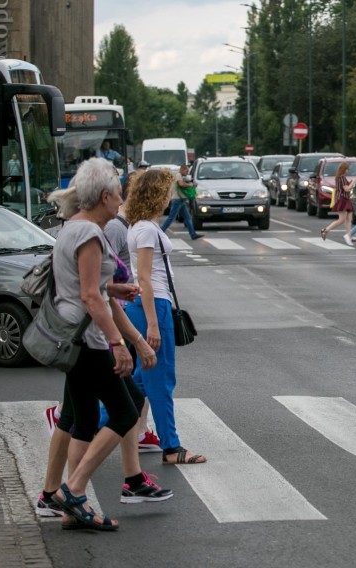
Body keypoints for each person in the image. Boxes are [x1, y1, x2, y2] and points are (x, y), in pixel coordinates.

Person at [39, 157, 161, 531]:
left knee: (85, 419)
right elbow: (91, 297)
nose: (122, 199)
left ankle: (70, 505)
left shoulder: (70, 228)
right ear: (105, 195)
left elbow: (84, 285)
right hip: (87, 339)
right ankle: (72, 492)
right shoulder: (91, 234)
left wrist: (114, 287)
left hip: (69, 337)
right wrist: (119, 343)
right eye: (118, 193)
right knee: (127, 411)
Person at [125, 168, 208, 465]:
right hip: (154, 306)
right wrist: (152, 324)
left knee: (138, 382)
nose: (170, 197)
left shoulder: (141, 225)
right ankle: (171, 448)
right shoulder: (146, 229)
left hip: (150, 305)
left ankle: (81, 424)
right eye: (167, 191)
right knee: (161, 381)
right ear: (157, 194)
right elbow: (145, 279)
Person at [103, 171, 161, 453]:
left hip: (124, 305)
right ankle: (73, 420)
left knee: (134, 383)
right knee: (125, 382)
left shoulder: (131, 224)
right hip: (121, 309)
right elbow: (105, 273)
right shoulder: (116, 227)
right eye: (117, 194)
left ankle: (138, 434)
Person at [160, 163, 203, 240]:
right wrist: (190, 185)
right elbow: (181, 184)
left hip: (181, 200)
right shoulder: (178, 175)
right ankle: (160, 233)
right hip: (177, 199)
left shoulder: (180, 176)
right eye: (186, 171)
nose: (187, 173)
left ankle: (193, 234)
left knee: (188, 217)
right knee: (171, 218)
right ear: (182, 170)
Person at [320, 161, 355, 241]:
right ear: (344, 169)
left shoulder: (341, 178)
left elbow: (344, 190)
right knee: (342, 219)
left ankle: (349, 235)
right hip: (342, 200)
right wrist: (353, 182)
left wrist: (350, 195)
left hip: (345, 199)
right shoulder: (341, 178)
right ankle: (325, 230)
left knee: (348, 218)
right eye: (347, 169)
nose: (348, 171)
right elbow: (346, 189)